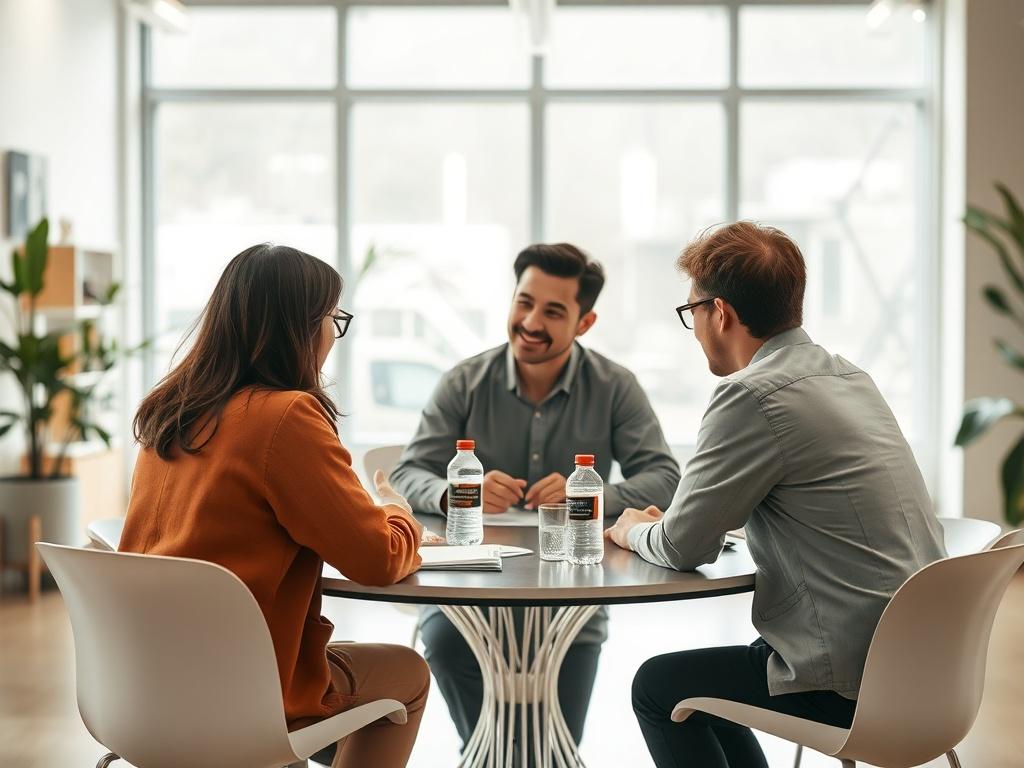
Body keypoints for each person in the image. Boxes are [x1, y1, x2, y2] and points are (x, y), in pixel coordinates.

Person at [606, 221, 947, 768]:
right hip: (932, 669)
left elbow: (682, 548)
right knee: (702, 692)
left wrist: (630, 529)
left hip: (852, 682)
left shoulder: (750, 396)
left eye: (690, 312)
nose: (693, 328)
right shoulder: (849, 377)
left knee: (659, 688)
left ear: (719, 313)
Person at [120, 244, 430, 768]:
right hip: (240, 692)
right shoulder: (285, 417)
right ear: (301, 327)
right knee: (407, 674)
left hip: (143, 685)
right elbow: (376, 558)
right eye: (334, 318)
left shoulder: (170, 411)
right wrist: (399, 513)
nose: (334, 333)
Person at [390, 242, 681, 756]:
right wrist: (463, 493)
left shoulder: (616, 387)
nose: (530, 321)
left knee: (554, 750)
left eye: (553, 311)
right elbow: (409, 472)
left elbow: (664, 476)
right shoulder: (463, 381)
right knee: (445, 645)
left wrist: (588, 497)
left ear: (584, 322)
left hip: (572, 600)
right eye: (523, 302)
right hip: (466, 597)